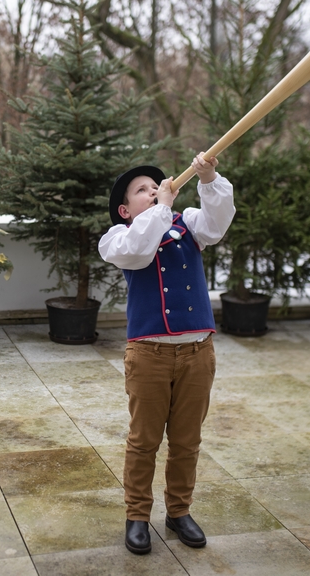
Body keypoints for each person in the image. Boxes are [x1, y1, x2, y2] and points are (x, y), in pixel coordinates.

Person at [98, 153, 235, 555]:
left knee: (187, 441)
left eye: (155, 187)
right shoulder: (118, 237)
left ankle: (179, 511)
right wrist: (161, 208)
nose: (153, 191)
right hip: (149, 355)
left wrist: (208, 180)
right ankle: (137, 516)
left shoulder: (188, 222)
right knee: (144, 441)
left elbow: (217, 223)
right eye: (142, 190)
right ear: (125, 210)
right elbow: (141, 249)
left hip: (198, 352)